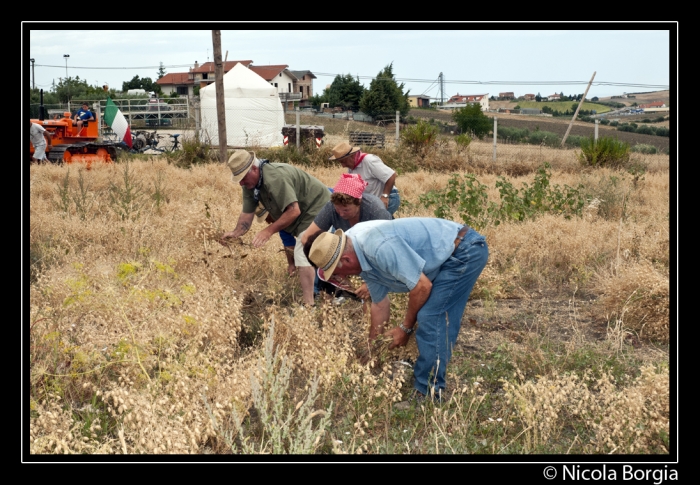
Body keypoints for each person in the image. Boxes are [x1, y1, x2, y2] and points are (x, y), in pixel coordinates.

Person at [306, 218, 488, 404]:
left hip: (465, 249)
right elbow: (379, 305)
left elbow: (422, 287)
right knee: (429, 314)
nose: (342, 277)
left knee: (431, 317)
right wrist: (372, 350)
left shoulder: (377, 248)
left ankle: (428, 396)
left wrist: (405, 328)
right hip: (447, 256)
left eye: (337, 271)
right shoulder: (362, 262)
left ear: (346, 259)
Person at [218, 150, 330, 307]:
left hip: (317, 208)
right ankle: (324, 296)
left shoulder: (275, 177)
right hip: (301, 216)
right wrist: (235, 233)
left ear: (254, 169)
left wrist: (268, 231)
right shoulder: (250, 185)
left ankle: (309, 306)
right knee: (312, 255)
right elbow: (247, 214)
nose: (241, 183)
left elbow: (293, 210)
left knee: (303, 252)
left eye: (243, 178)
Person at [301, 173, 392, 303]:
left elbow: (388, 249)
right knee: (324, 276)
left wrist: (372, 281)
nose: (341, 214)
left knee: (373, 296)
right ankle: (331, 302)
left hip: (373, 256)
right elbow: (306, 238)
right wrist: (328, 266)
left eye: (346, 210)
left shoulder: (376, 211)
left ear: (358, 202)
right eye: (338, 210)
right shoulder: (331, 208)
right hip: (346, 255)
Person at [329, 142, 400, 216]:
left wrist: (385, 196)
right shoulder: (352, 167)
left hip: (389, 198)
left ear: (352, 156)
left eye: (344, 162)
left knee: (377, 223)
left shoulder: (369, 161)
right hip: (373, 202)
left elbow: (391, 175)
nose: (343, 166)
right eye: (341, 163)